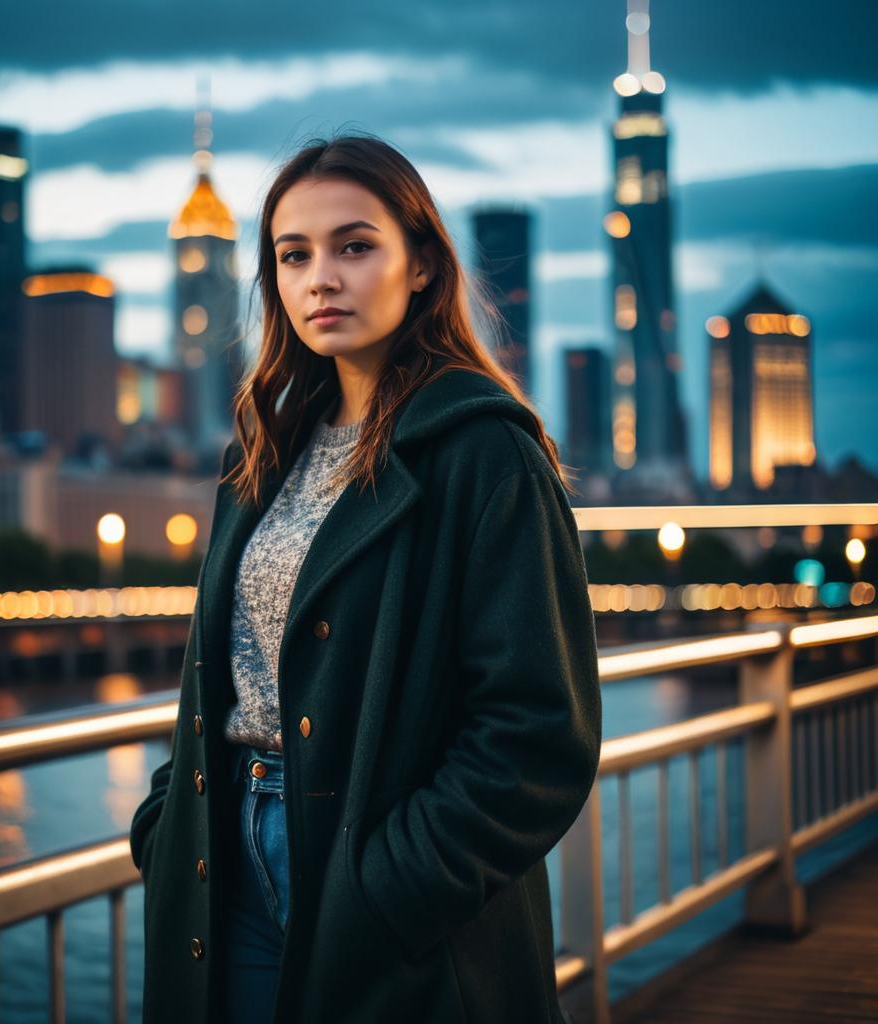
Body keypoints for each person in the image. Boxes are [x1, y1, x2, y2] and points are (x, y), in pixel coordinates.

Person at [129, 130, 602, 1024]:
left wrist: (388, 890)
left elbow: (539, 735)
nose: (321, 279)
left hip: (379, 889)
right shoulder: (262, 455)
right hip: (223, 868)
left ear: (420, 263)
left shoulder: (484, 453)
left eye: (355, 246)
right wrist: (169, 824)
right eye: (294, 255)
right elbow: (227, 673)